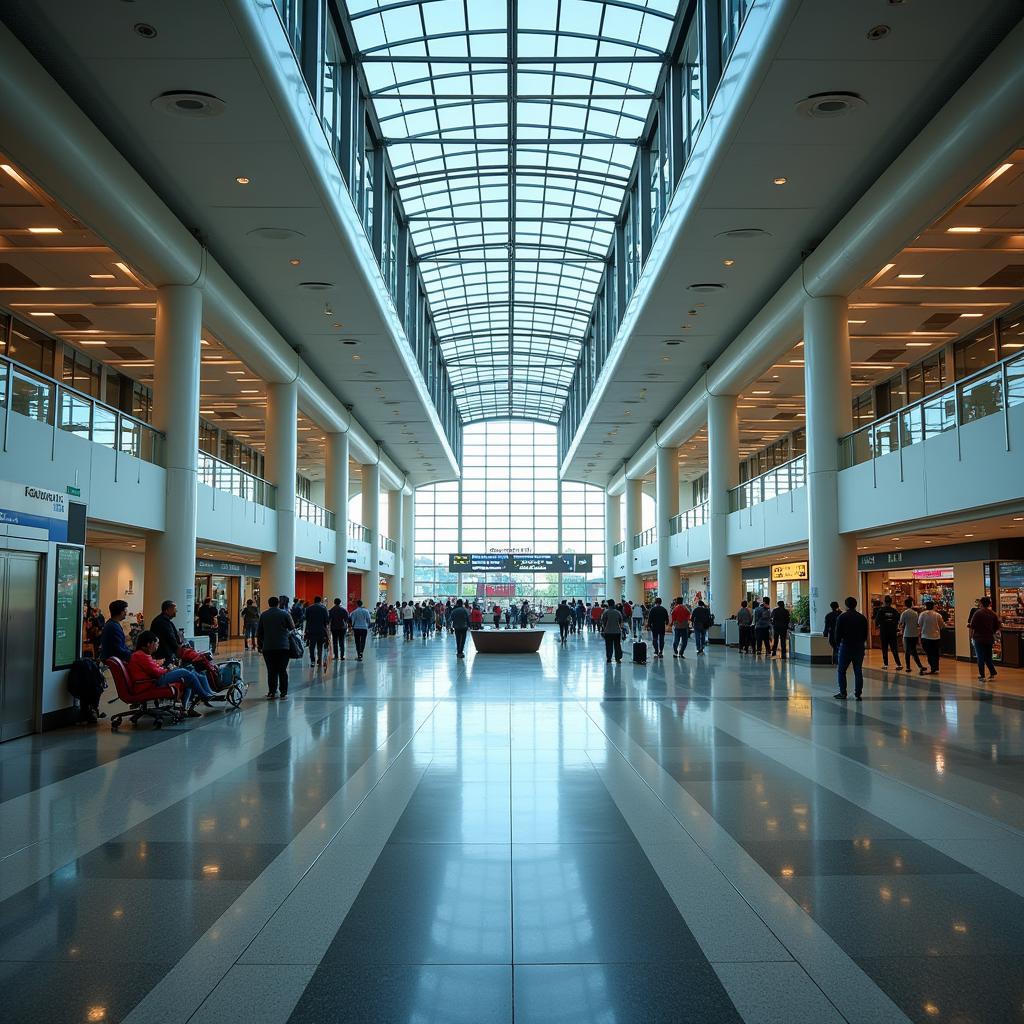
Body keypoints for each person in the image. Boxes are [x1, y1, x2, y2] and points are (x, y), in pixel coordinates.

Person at [128, 630, 204, 718]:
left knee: (187, 676)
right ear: (149, 644)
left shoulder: (139, 654)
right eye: (156, 643)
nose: (157, 645)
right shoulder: (141, 655)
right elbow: (156, 672)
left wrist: (165, 669)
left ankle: (185, 708)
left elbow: (153, 669)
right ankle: (203, 695)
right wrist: (168, 670)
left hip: (150, 681)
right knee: (185, 672)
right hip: (151, 683)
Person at [257, 595, 293, 699]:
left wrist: (260, 645)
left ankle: (272, 692)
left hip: (268, 647)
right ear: (278, 603)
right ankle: (283, 692)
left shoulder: (263, 615)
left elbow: (259, 632)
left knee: (271, 670)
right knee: (282, 670)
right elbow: (292, 627)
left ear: (269, 604)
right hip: (283, 646)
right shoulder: (285, 613)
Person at [833, 596, 868, 701]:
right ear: (855, 605)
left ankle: (843, 692)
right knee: (858, 670)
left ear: (846, 605)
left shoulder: (842, 617)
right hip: (858, 646)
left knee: (841, 670)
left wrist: (838, 645)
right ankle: (858, 693)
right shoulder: (862, 618)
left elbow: (837, 633)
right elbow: (865, 634)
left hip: (846, 646)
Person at [969, 596, 1001, 682]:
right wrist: (991, 632)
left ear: (981, 603)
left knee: (980, 657)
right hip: (989, 638)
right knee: (988, 657)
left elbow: (972, 626)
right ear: (989, 604)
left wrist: (971, 637)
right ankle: (992, 672)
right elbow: (997, 626)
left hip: (979, 638)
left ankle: (982, 675)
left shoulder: (978, 613)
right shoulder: (993, 613)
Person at [873, 595, 902, 669]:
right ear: (891, 602)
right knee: (894, 648)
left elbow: (876, 621)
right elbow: (898, 620)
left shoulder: (881, 610)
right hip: (892, 632)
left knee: (884, 648)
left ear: (884, 602)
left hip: (884, 632)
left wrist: (880, 625)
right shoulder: (894, 611)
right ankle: (898, 664)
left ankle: (886, 664)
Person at [898, 597, 926, 673]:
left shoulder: (904, 613)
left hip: (907, 634)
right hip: (914, 634)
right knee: (914, 651)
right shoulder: (915, 613)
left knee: (907, 652)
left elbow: (901, 623)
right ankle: (920, 666)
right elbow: (918, 623)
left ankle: (908, 667)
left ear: (905, 604)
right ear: (911, 604)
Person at [918, 598, 944, 675]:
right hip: (936, 637)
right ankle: (936, 668)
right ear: (933, 606)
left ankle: (932, 667)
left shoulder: (922, 614)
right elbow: (941, 625)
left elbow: (920, 624)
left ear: (926, 607)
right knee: (935, 653)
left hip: (925, 637)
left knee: (929, 653)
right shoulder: (937, 615)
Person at [304, 595, 330, 669]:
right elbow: (327, 621)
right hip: (321, 630)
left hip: (311, 630)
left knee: (311, 647)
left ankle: (312, 661)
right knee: (320, 646)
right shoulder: (324, 608)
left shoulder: (308, 608)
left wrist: (306, 631)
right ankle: (319, 660)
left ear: (314, 600)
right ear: (320, 600)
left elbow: (306, 619)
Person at [823, 601, 842, 665]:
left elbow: (827, 626)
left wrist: (825, 634)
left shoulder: (828, 615)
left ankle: (835, 661)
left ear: (831, 607)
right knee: (838, 647)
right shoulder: (841, 614)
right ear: (838, 606)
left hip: (832, 635)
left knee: (834, 648)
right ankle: (838, 661)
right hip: (840, 634)